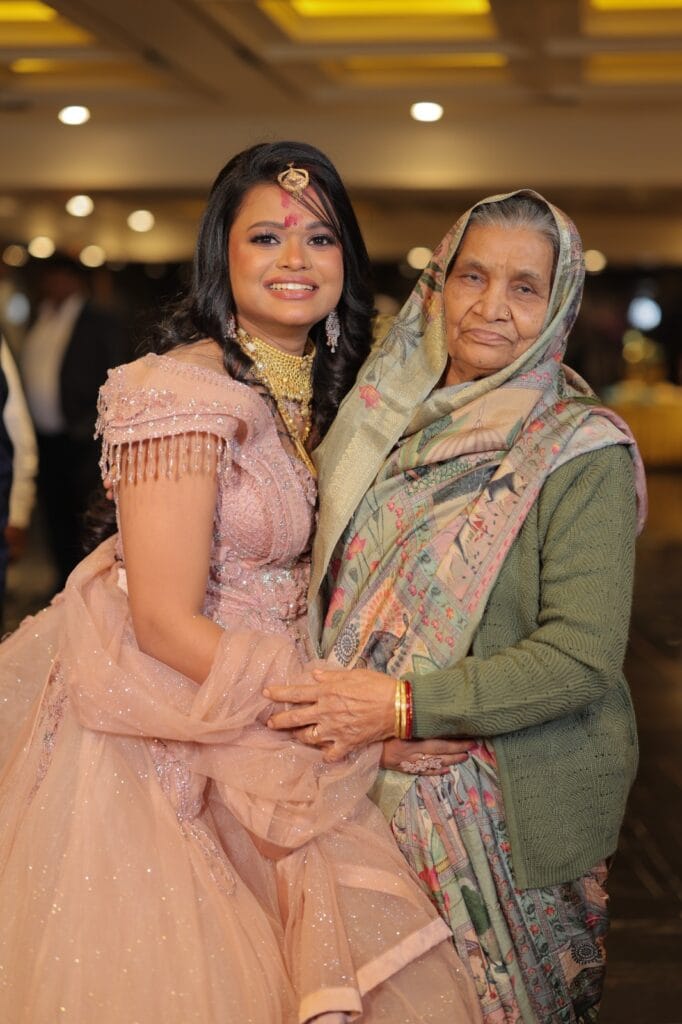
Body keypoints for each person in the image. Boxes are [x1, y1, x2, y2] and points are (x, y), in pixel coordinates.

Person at [0, 142, 482, 1024]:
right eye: (266, 237)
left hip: (268, 708)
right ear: (221, 256)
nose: (295, 260)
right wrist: (346, 720)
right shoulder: (179, 392)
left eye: (321, 238)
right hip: (173, 733)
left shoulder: (318, 392)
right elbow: (163, 623)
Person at [266, 190, 647, 1022]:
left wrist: (400, 706)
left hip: (504, 801)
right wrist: (360, 730)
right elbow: (310, 586)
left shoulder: (579, 450)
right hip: (352, 779)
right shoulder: (375, 423)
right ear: (435, 287)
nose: (491, 307)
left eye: (524, 286)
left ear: (561, 306)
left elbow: (580, 657)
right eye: (471, 275)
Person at [20, 254, 130, 590]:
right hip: (46, 438)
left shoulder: (99, 319)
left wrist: (90, 427)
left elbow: (117, 372)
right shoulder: (41, 317)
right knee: (54, 517)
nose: (50, 285)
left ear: (73, 279)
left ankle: (87, 589)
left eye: (56, 277)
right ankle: (61, 584)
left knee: (85, 517)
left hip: (82, 440)